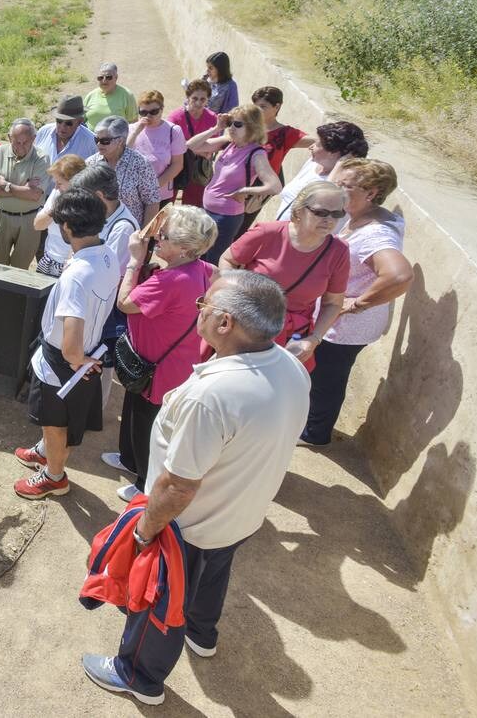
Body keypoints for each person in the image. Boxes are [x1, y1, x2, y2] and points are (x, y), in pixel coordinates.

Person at [82, 270, 310, 707]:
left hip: (187, 526)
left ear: (225, 323)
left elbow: (179, 485)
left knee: (159, 603)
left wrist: (145, 530)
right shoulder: (289, 365)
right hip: (241, 513)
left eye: (204, 304)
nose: (199, 310)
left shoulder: (214, 395)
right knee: (212, 577)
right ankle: (203, 635)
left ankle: (138, 675)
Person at [104, 206, 217, 502]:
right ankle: (129, 459)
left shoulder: (170, 280)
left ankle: (144, 483)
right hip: (165, 362)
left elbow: (125, 303)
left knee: (147, 428)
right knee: (133, 410)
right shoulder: (202, 269)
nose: (156, 240)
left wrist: (134, 261)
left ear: (183, 248)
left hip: (159, 371)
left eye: (163, 236)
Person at [12, 189, 118, 499]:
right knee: (65, 420)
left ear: (68, 228)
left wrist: (76, 360)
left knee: (54, 423)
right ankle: (47, 453)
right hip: (90, 353)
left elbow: (71, 339)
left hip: (64, 360)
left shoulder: (77, 276)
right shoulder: (107, 253)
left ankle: (54, 476)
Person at [302, 159, 412, 446]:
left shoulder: (377, 232)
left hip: (346, 326)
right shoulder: (364, 215)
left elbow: (398, 275)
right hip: (340, 319)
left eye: (345, 186)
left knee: (327, 379)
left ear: (372, 193)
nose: (336, 188)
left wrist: (356, 304)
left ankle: (315, 434)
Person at [220, 182, 350, 370]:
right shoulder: (267, 232)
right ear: (300, 210)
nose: (329, 220)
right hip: (244, 324)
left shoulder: (339, 251)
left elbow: (333, 303)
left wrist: (313, 339)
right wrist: (233, 297)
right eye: (321, 212)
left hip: (291, 336)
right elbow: (228, 259)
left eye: (337, 214)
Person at [72, 163, 140, 408]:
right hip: (98, 296)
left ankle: (95, 409)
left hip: (107, 302)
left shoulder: (122, 227)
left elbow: (106, 270)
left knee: (103, 356)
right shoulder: (106, 216)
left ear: (99, 196)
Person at [186, 105, 281, 263]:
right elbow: (190, 146)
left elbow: (275, 186)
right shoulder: (229, 143)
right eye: (230, 122)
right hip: (208, 210)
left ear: (252, 127)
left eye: (237, 124)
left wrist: (246, 190)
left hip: (226, 217)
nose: (231, 127)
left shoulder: (256, 153)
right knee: (196, 256)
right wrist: (216, 127)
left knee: (211, 261)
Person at [234, 86, 311, 238]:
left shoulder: (285, 134)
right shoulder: (247, 125)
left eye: (263, 106)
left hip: (258, 189)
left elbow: (317, 142)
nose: (257, 110)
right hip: (235, 180)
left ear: (277, 107)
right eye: (255, 105)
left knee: (239, 227)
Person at [0, 118, 50, 269]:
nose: (20, 146)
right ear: (9, 138)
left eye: (25, 142)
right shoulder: (0, 152)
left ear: (34, 139)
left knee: (20, 270)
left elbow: (35, 195)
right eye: (16, 142)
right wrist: (22, 189)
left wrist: (4, 185)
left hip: (28, 220)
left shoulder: (41, 158)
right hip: (1, 217)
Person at [274, 120, 368, 220]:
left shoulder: (344, 185)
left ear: (333, 152)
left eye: (317, 144)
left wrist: (339, 165)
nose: (311, 147)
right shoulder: (312, 163)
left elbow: (325, 198)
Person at [86, 116, 160, 226]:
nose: (98, 144)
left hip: (130, 234)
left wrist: (144, 237)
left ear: (120, 141)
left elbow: (152, 201)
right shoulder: (90, 163)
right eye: (96, 139)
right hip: (97, 233)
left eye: (105, 141)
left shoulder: (140, 164)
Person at [126, 90, 186, 212]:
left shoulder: (173, 131)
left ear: (162, 109)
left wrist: (153, 186)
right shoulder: (131, 129)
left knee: (156, 229)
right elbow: (122, 156)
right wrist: (136, 132)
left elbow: (177, 164)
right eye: (143, 112)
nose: (148, 117)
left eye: (153, 112)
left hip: (161, 193)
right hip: (134, 194)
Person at [33, 154, 88, 277]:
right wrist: (56, 208)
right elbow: (37, 225)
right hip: (49, 260)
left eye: (59, 183)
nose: (56, 187)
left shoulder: (88, 204)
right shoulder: (57, 193)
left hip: (71, 267)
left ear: (75, 181)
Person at [167, 80, 218, 208]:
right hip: (175, 165)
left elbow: (213, 145)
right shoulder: (175, 117)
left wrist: (186, 147)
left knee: (193, 208)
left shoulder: (212, 118)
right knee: (167, 204)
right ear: (187, 97)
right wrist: (199, 148)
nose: (198, 103)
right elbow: (169, 145)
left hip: (197, 169)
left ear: (208, 100)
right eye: (194, 98)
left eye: (203, 99)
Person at [35, 95, 97, 164]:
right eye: (59, 121)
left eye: (68, 123)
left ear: (79, 121)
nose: (62, 126)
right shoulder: (43, 131)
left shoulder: (91, 142)